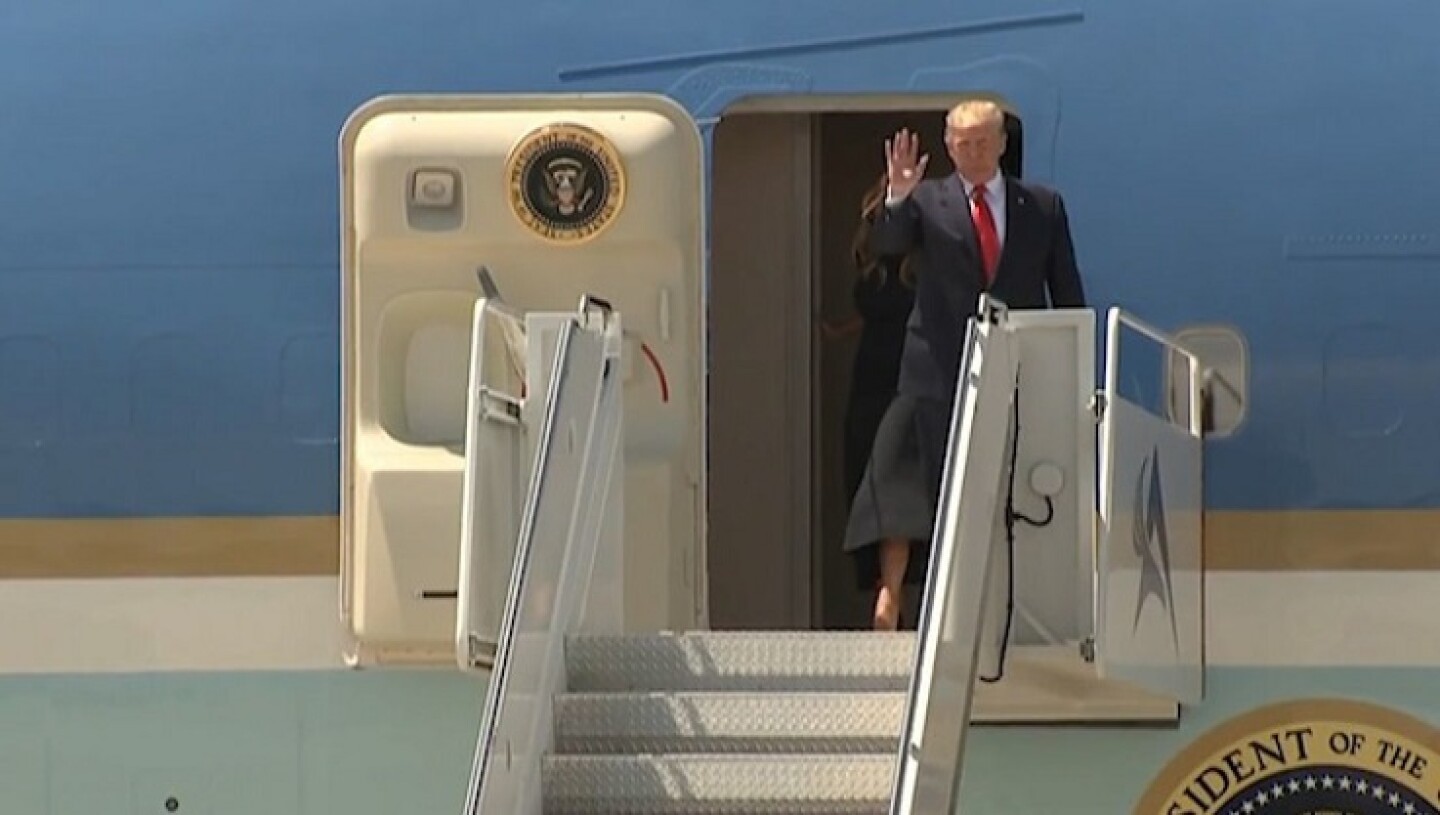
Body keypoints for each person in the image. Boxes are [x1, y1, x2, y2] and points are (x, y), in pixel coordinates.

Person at [842, 99, 1086, 631]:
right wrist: (897, 196)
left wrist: (1073, 369)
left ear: (1001, 144)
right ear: (948, 146)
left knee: (1003, 490)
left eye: (981, 142)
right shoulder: (927, 203)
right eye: (961, 143)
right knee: (902, 479)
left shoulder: (1041, 206)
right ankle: (890, 594)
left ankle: (998, 606)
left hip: (1014, 368)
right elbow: (888, 242)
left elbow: (1066, 291)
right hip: (934, 367)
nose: (971, 152)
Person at [823, 174, 917, 517]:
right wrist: (840, 331)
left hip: (907, 374)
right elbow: (879, 314)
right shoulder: (871, 266)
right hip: (869, 375)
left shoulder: (923, 265)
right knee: (862, 471)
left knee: (901, 480)